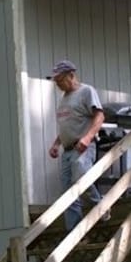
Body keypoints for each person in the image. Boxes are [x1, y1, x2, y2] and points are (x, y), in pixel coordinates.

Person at [47, 59, 107, 231]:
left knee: (82, 178)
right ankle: (74, 231)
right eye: (56, 81)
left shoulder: (86, 91)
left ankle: (102, 208)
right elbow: (68, 125)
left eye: (60, 80)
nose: (58, 84)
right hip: (67, 151)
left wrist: (87, 138)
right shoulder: (63, 99)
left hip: (83, 147)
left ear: (71, 75)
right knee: (68, 194)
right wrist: (56, 144)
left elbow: (100, 116)